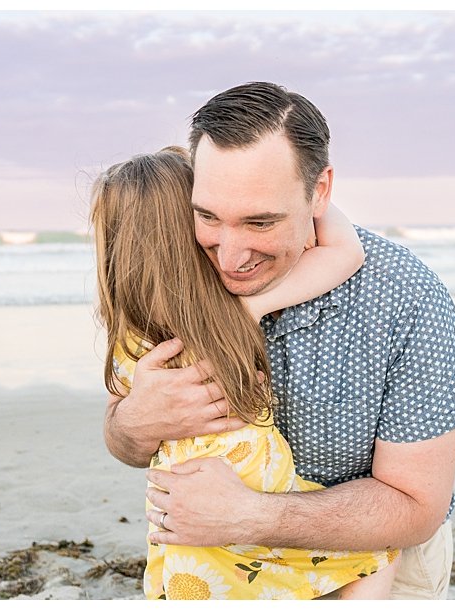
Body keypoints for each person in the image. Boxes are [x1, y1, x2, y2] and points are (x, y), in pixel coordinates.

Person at [101, 82, 455, 599]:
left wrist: (247, 516)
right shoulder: (173, 275)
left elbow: (413, 507)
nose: (229, 255)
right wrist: (136, 421)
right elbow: (123, 439)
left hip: (375, 546)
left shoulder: (403, 298)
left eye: (260, 221)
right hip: (228, 552)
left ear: (319, 192)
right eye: (208, 217)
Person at [92, 146, 394, 599]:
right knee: (378, 553)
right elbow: (345, 251)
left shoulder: (130, 337)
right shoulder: (234, 310)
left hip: (184, 504)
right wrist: (310, 196)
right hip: (253, 485)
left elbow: (123, 421)